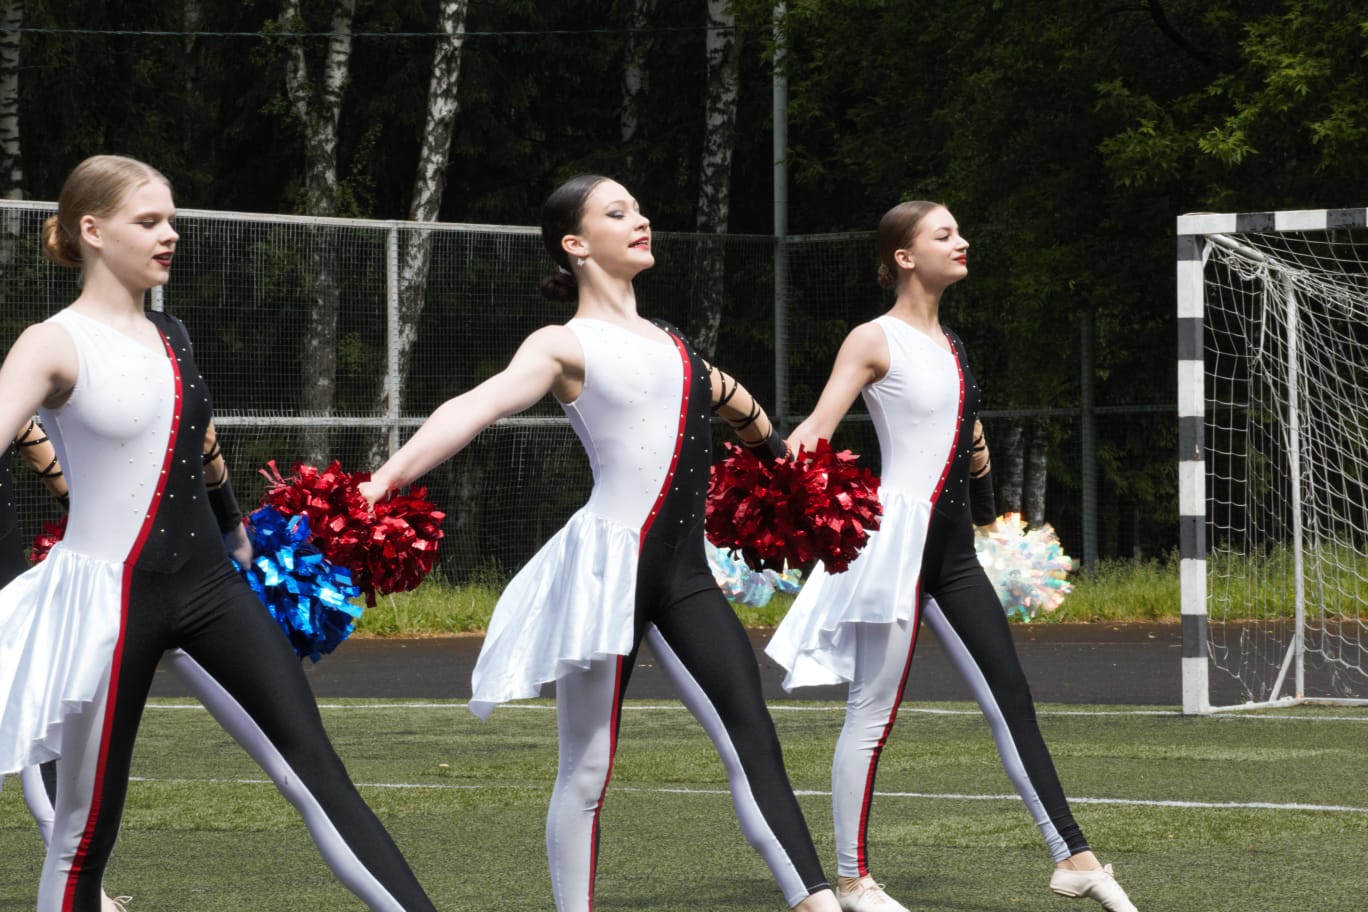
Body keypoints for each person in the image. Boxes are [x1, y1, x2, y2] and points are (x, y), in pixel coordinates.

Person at [358, 174, 841, 912]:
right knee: (586, 772)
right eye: (618, 213)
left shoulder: (675, 344)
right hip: (607, 574)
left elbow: (734, 400)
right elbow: (476, 405)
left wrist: (783, 466)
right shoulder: (563, 344)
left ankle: (816, 901)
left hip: (685, 575)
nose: (641, 220)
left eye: (640, 209)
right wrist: (384, 480)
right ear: (576, 245)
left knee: (754, 739)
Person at [0, 155, 440, 912]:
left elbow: (197, 443)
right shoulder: (52, 343)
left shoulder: (172, 333)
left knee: (317, 773)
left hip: (210, 587)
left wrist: (235, 527)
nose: (170, 234)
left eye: (171, 219)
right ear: (92, 230)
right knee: (84, 833)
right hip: (110, 601)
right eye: (149, 221)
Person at [765, 201, 1139, 912]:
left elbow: (967, 439)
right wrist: (761, 485)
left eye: (959, 231)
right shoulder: (874, 338)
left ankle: (1074, 857)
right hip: (895, 546)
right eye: (944, 234)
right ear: (904, 257)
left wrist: (987, 500)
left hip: (954, 553)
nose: (961, 241)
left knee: (1010, 698)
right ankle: (852, 880)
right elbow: (816, 430)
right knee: (873, 712)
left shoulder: (954, 345)